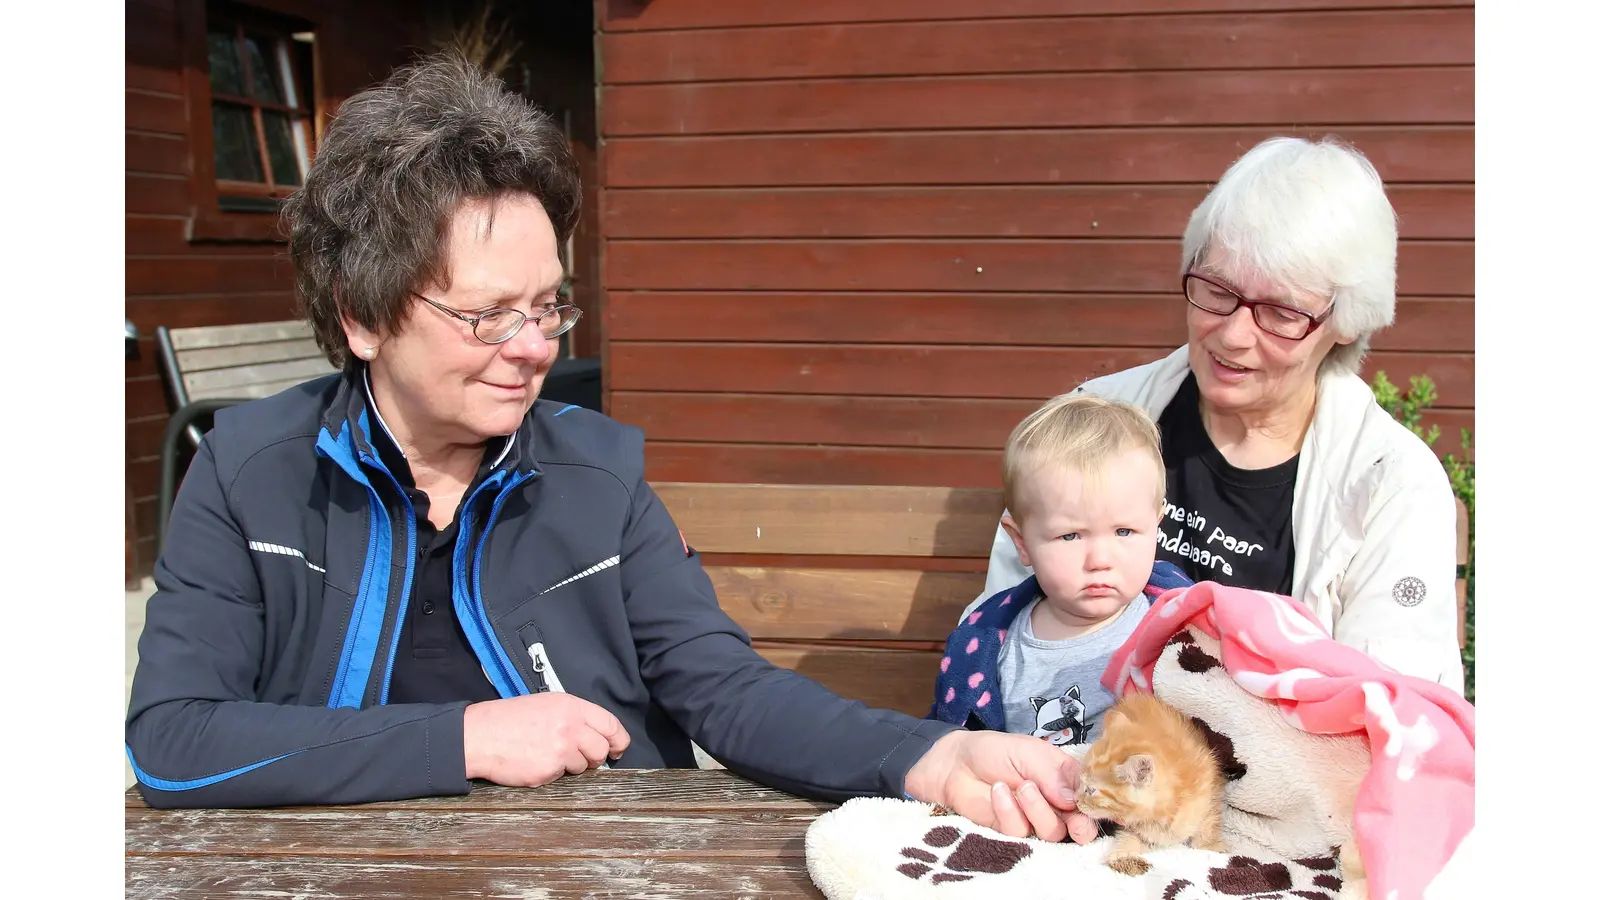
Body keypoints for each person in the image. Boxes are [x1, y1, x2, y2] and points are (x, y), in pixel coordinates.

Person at [123, 53, 1100, 845]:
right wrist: (462, 738)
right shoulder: (252, 470)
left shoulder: (595, 475)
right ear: (363, 317)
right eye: (487, 315)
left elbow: (726, 691)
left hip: (597, 862)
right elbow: (174, 741)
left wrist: (929, 759)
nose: (537, 346)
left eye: (547, 305)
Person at [975, 136, 1464, 694]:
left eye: (1280, 313)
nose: (1232, 335)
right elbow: (1000, 627)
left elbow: (1390, 711)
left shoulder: (1392, 484)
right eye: (1217, 290)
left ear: (1346, 322)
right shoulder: (1098, 418)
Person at [932, 394, 1191, 744]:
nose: (1100, 559)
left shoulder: (1179, 625)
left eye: (1124, 532)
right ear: (1021, 542)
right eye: (1070, 536)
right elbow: (951, 743)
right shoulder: (988, 647)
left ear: (1156, 525)